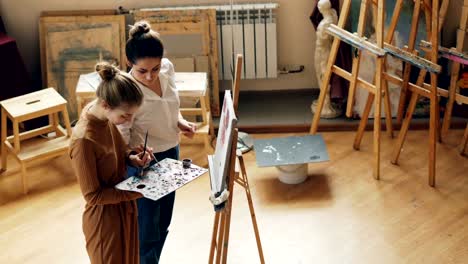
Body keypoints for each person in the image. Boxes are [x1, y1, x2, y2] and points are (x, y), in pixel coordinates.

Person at [118, 20, 196, 264]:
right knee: (146, 231)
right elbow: (121, 135)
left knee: (164, 222)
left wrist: (179, 121)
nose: (151, 75)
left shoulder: (168, 69)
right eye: (143, 71)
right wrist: (131, 156)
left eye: (156, 68)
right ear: (129, 62)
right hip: (144, 162)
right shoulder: (125, 90)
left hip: (171, 151)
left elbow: (171, 105)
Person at [69, 61, 153, 264]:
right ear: (106, 105)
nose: (129, 122)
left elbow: (116, 150)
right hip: (104, 222)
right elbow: (93, 195)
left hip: (124, 209)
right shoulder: (83, 140)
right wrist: (140, 191)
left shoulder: (102, 115)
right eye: (125, 115)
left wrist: (131, 158)